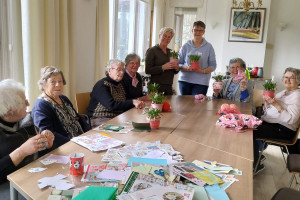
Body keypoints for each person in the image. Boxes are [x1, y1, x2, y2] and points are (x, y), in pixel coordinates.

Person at [0, 79, 54, 184]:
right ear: (9, 109)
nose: (28, 104)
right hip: (10, 186)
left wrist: (46, 144)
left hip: (37, 175)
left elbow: (37, 154)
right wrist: (21, 152)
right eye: (24, 102)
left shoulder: (26, 119)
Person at [253, 67, 300, 174]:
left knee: (251, 130)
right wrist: (267, 103)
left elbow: (291, 119)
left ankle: (255, 164)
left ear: (298, 80)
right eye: (285, 77)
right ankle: (256, 156)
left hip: (284, 130)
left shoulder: (297, 96)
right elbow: (269, 111)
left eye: (291, 78)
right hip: (273, 124)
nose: (287, 79)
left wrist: (275, 104)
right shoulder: (285, 92)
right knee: (247, 122)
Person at [32, 66, 90, 147]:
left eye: (60, 81)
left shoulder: (63, 98)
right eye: (53, 82)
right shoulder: (41, 106)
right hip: (65, 146)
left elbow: (77, 118)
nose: (58, 84)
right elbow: (48, 135)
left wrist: (90, 134)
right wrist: (73, 143)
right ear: (44, 85)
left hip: (82, 140)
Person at [87, 59, 145, 127]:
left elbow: (124, 101)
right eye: (118, 69)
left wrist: (137, 103)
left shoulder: (119, 84)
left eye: (123, 70)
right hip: (99, 118)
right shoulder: (102, 85)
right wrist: (132, 102)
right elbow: (111, 105)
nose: (122, 72)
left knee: (138, 123)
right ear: (109, 71)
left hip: (116, 117)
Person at [178, 21, 216, 95]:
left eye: (200, 30)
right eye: (195, 30)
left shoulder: (209, 47)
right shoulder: (185, 46)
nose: (198, 33)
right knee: (184, 104)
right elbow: (178, 64)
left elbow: (213, 66)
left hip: (201, 82)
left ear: (203, 32)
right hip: (185, 80)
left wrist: (202, 71)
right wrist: (186, 68)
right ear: (192, 31)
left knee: (198, 105)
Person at [145, 27, 179, 95]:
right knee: (156, 105)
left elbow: (175, 71)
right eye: (164, 36)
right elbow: (147, 70)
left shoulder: (171, 52)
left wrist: (177, 68)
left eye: (169, 37)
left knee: (169, 105)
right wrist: (162, 67)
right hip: (156, 86)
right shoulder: (152, 51)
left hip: (169, 86)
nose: (166, 38)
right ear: (159, 36)